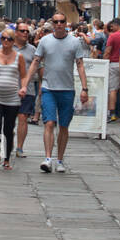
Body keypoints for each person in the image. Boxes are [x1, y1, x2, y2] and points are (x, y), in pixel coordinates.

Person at [21, 12, 88, 173]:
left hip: (67, 89)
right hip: (48, 88)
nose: (59, 24)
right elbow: (35, 62)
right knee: (49, 123)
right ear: (53, 24)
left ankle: (60, 159)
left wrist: (84, 88)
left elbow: (79, 64)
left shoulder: (74, 42)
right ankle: (48, 158)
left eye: (62, 21)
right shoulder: (45, 41)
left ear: (66, 23)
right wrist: (25, 83)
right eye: (56, 22)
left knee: (64, 126)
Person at [0, 27, 25, 169]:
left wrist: (23, 87)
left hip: (13, 98)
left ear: (14, 41)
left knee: (8, 128)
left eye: (9, 39)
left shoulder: (19, 57)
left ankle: (6, 159)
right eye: (3, 38)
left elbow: (24, 75)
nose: (6, 41)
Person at [14, 24, 41, 157]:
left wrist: (41, 86)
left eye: (27, 31)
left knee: (23, 117)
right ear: (16, 32)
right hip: (9, 89)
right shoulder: (6, 46)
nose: (25, 33)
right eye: (22, 31)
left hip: (27, 89)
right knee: (7, 120)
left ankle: (19, 147)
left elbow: (39, 68)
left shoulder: (32, 50)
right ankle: (5, 145)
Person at [103, 19, 120, 123]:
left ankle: (112, 113)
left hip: (114, 64)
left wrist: (104, 63)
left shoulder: (112, 36)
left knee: (113, 90)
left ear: (115, 25)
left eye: (112, 27)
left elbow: (107, 51)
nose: (111, 29)